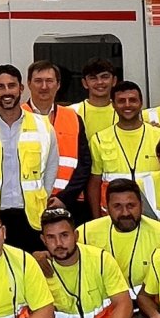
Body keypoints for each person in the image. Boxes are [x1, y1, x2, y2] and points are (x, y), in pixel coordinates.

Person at [0, 65, 61, 253]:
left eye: (11, 86)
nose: (7, 92)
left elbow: (51, 167)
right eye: (0, 87)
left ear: (21, 89)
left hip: (30, 216)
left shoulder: (43, 126)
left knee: (31, 269)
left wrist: (43, 194)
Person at [80, 179, 160, 299]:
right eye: (117, 206)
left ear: (141, 206)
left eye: (131, 206)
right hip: (103, 309)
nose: (125, 213)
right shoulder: (85, 233)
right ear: (106, 208)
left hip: (145, 306)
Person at [24, 60, 92, 219]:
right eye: (38, 81)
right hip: (28, 204)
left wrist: (64, 198)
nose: (44, 86)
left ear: (58, 84)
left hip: (70, 202)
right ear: (28, 84)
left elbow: (84, 164)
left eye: (49, 81)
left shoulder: (73, 117)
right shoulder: (18, 117)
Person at [87, 81, 160, 215]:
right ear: (113, 105)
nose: (127, 105)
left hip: (154, 214)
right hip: (114, 214)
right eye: (122, 101)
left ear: (141, 103)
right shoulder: (99, 139)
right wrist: (96, 218)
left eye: (133, 100)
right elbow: (94, 183)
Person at [69, 58, 119, 139]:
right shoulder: (72, 112)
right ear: (84, 83)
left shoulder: (124, 111)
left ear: (114, 81)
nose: (99, 82)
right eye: (93, 78)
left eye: (105, 77)